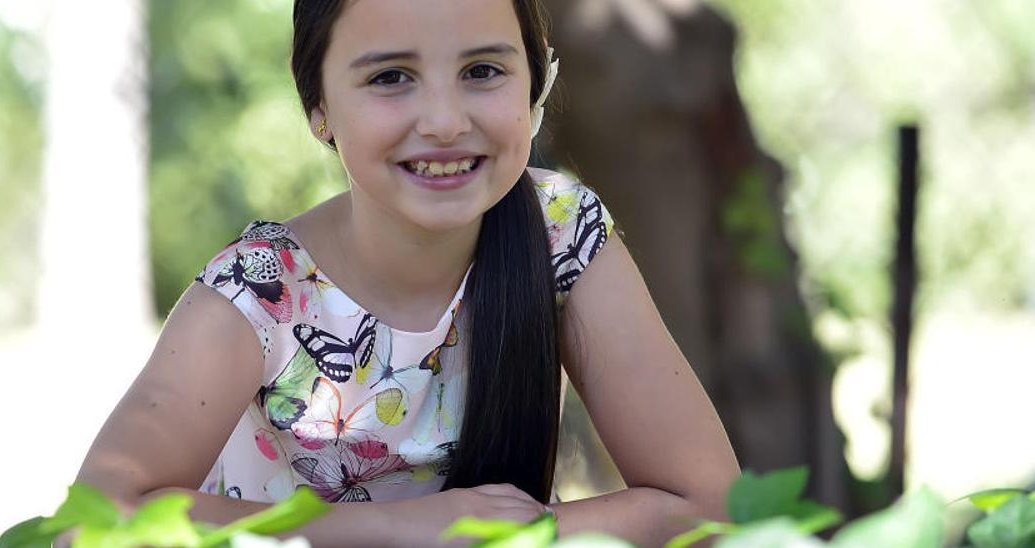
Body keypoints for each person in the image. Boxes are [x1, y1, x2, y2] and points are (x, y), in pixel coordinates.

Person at [74, 0, 740, 545]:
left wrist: (496, 537)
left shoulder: (561, 233)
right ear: (319, 107)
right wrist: (393, 528)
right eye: (391, 76)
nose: (446, 123)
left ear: (534, 85)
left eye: (483, 70)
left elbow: (710, 507)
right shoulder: (261, 291)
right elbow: (91, 525)